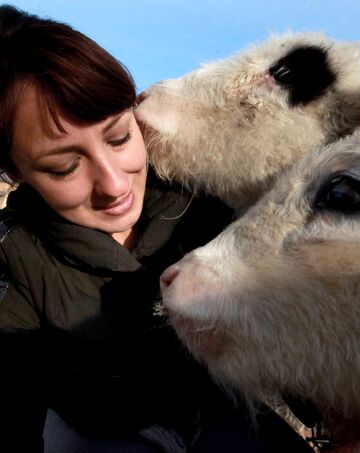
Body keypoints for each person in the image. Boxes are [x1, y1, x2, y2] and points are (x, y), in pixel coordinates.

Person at [0, 5, 314, 452]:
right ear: (16, 170)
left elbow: (287, 325)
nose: (113, 184)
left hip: (233, 421)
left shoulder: (207, 201)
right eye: (65, 167)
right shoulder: (13, 266)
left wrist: (341, 418)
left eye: (120, 138)